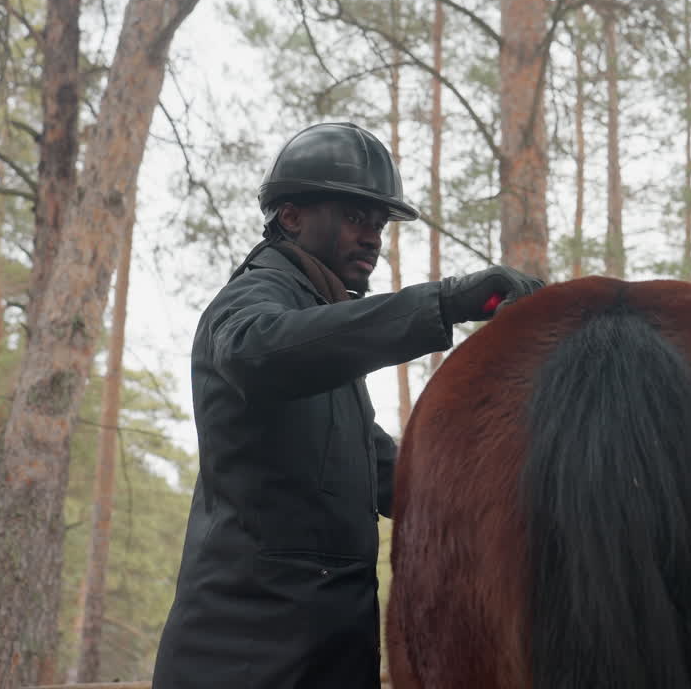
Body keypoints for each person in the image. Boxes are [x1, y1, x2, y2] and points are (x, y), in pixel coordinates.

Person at [152, 122, 544, 688]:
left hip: (329, 656)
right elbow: (257, 351)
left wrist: (505, 500)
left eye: (380, 224)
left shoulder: (319, 327)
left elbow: (387, 473)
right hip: (243, 660)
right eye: (356, 217)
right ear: (291, 217)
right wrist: (446, 300)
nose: (372, 238)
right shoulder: (251, 303)